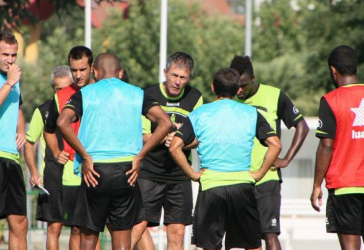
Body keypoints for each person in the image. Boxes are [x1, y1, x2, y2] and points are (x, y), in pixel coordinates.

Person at [56, 52, 172, 250]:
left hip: (95, 171)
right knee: (122, 241)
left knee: (88, 239)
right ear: (120, 73)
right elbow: (166, 122)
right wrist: (140, 156)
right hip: (127, 171)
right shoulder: (137, 93)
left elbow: (62, 122)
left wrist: (84, 156)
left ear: (95, 71)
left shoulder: (85, 93)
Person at [169, 68, 282, 250]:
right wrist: (259, 174)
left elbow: (174, 147)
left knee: (209, 246)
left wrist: (193, 175)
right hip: (243, 186)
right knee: (253, 245)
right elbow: (275, 144)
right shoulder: (251, 113)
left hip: (211, 187)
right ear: (238, 89)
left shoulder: (199, 113)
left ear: (213, 88)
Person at [230, 55, 309, 250]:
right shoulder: (228, 100)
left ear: (253, 78)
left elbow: (302, 126)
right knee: (248, 237)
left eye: (244, 85)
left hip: (267, 177)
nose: (239, 90)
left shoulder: (274, 95)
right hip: (239, 178)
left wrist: (287, 158)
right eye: (236, 86)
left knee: (270, 234)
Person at [131, 51, 203, 250]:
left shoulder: (195, 97)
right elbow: (143, 134)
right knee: (138, 227)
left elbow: (198, 139)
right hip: (149, 172)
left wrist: (178, 143)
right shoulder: (149, 94)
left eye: (183, 77)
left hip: (179, 174)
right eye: (174, 75)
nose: (178, 82)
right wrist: (164, 138)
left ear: (189, 78)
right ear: (165, 72)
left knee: (177, 234)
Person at [310, 45, 364, 250]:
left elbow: (326, 146)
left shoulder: (331, 101)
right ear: (356, 67)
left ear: (333, 70)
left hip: (345, 186)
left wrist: (317, 184)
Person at [44, 46, 95, 250]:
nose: (78, 75)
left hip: (98, 167)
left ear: (92, 67)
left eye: (82, 69)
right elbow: (49, 130)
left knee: (94, 228)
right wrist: (56, 152)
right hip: (72, 171)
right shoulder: (61, 96)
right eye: (74, 70)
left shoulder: (100, 91)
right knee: (75, 227)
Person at [0, 30, 27, 250]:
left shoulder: (13, 79)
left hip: (11, 157)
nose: (10, 60)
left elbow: (17, 107)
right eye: (5, 54)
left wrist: (21, 130)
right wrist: (9, 83)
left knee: (20, 222)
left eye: (14, 55)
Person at [24, 65, 74, 250]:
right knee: (54, 227)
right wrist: (34, 172)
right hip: (52, 175)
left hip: (76, 175)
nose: (62, 93)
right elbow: (29, 143)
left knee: (79, 228)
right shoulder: (43, 110)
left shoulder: (81, 108)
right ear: (53, 89)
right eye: (58, 89)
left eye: (67, 88)